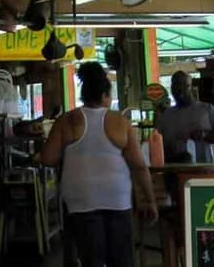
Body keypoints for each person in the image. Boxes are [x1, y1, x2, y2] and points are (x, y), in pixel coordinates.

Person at [41, 62, 157, 267]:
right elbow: (139, 166)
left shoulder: (66, 121)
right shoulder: (120, 122)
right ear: (104, 95)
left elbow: (48, 158)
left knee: (91, 259)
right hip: (117, 198)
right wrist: (149, 200)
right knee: (121, 259)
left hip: (80, 200)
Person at [156, 71, 214, 164]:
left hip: (204, 169)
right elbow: (158, 145)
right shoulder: (166, 115)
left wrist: (205, 135)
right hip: (174, 170)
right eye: (176, 87)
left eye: (184, 86)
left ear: (191, 88)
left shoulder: (206, 109)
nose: (180, 90)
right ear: (172, 89)